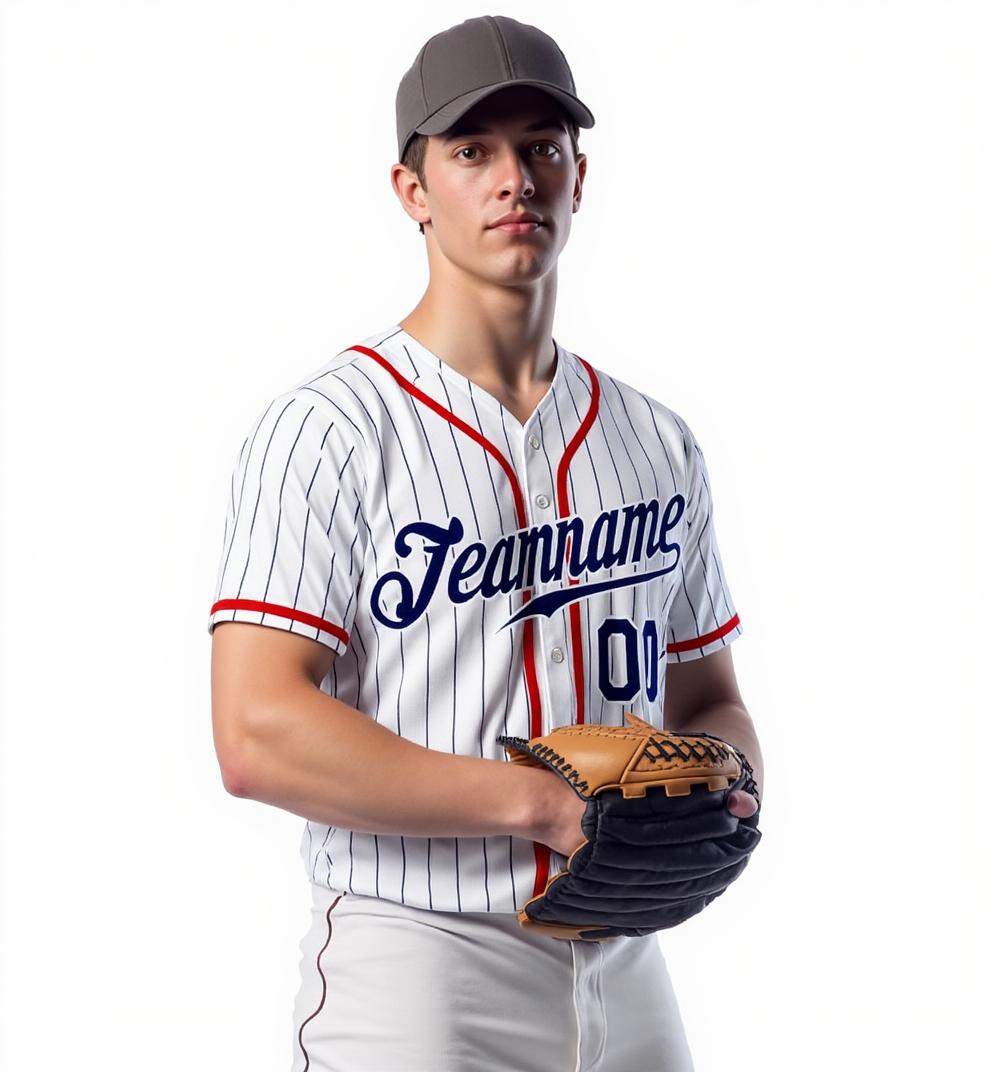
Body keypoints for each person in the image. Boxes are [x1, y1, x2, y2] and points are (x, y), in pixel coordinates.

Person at [208, 14, 764, 1072]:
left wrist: (735, 783)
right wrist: (540, 804)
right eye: (472, 151)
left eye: (538, 148)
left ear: (577, 176)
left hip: (627, 960)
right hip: (418, 964)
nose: (513, 177)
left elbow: (708, 696)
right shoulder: (328, 428)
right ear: (412, 191)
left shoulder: (654, 440)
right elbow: (255, 727)